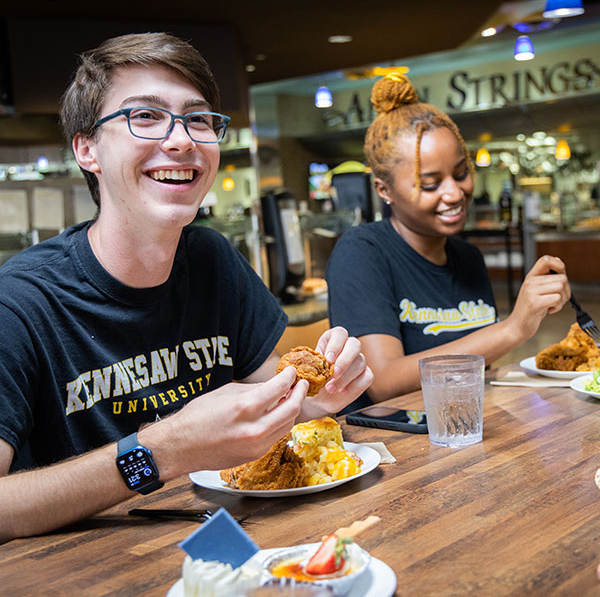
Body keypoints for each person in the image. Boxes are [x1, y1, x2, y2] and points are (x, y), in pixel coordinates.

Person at [0, 32, 373, 542]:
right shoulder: (19, 303)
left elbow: (273, 397)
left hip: (225, 546)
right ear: (87, 149)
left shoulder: (211, 258)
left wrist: (317, 397)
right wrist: (161, 449)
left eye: (198, 119)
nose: (181, 140)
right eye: (145, 116)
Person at [325, 73, 569, 406]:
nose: (454, 193)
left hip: (462, 427)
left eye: (460, 173)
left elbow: (478, 366)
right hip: (391, 445)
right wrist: (513, 328)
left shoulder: (467, 256)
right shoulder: (362, 253)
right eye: (430, 184)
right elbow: (383, 382)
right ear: (384, 190)